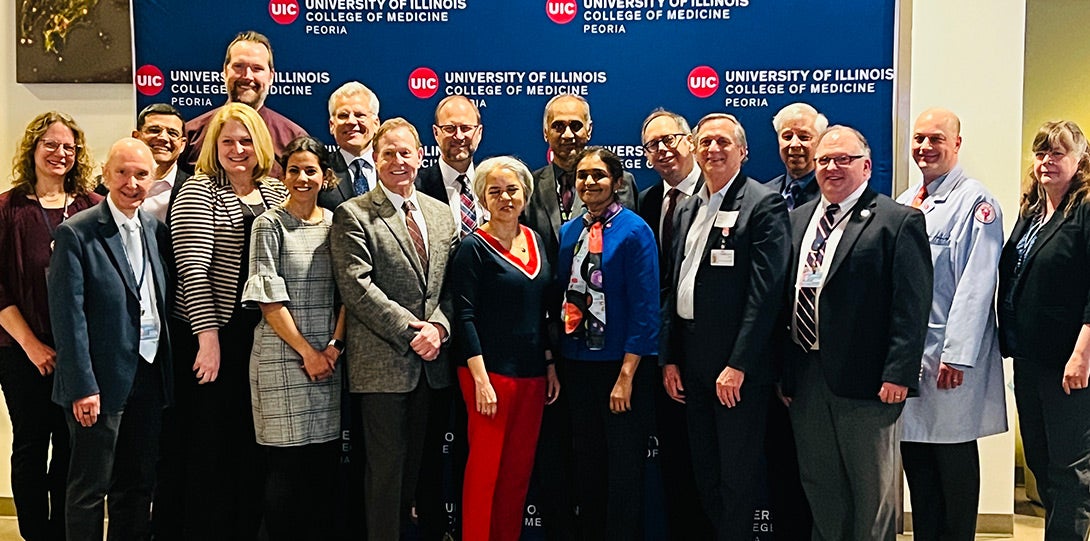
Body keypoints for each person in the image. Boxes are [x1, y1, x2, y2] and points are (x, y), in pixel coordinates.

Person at [782, 125, 931, 541]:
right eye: (824, 160)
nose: (831, 168)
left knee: (871, 495)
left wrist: (899, 373)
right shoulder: (796, 220)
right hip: (808, 378)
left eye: (842, 160)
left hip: (869, 384)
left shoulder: (897, 221)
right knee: (821, 487)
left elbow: (912, 305)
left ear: (866, 166)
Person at [658, 113, 790, 540]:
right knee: (706, 473)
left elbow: (765, 294)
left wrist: (739, 364)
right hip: (692, 363)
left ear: (743, 152)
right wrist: (670, 358)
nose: (713, 149)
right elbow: (674, 285)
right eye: (706, 142)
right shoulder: (690, 207)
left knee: (737, 477)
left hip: (734, 369)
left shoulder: (762, 203)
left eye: (723, 143)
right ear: (695, 149)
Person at [331, 118, 458, 541]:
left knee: (423, 475)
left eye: (406, 152)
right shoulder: (354, 214)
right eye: (388, 154)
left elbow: (453, 285)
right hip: (384, 367)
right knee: (386, 477)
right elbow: (357, 288)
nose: (398, 161)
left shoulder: (441, 215)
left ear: (422, 156)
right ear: (375, 159)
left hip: (433, 365)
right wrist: (412, 332)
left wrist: (437, 330)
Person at [169, 102, 288, 539]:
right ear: (213, 147)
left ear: (260, 144)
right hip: (213, 336)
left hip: (261, 336)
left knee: (252, 445)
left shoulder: (275, 193)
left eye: (244, 140)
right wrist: (208, 339)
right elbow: (193, 271)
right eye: (227, 142)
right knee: (211, 448)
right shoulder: (199, 191)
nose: (237, 150)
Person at [48, 137, 173, 540]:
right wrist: (82, 386)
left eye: (141, 174)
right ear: (106, 174)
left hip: (149, 376)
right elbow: (68, 318)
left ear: (152, 179)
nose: (131, 182)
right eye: (122, 172)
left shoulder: (155, 229)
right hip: (97, 384)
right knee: (89, 488)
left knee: (136, 486)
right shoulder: (76, 233)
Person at [897, 108, 1008, 540]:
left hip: (948, 358)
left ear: (957, 144)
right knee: (918, 464)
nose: (925, 147)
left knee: (952, 463)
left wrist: (956, 355)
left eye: (937, 139)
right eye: (920, 138)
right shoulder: (907, 200)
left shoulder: (976, 203)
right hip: (909, 356)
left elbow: (977, 285)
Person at [450, 156, 560, 541]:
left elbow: (543, 309)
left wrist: (548, 362)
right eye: (494, 191)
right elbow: (463, 316)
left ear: (525, 195)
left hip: (531, 375)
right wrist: (480, 380)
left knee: (516, 476)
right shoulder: (472, 248)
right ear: (482, 197)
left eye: (512, 189)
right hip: (488, 375)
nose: (505, 198)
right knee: (484, 475)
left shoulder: (537, 240)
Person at [242, 136, 347, 541]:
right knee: (285, 472)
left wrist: (333, 349)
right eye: (294, 170)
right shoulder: (268, 224)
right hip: (282, 360)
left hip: (327, 362)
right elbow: (268, 299)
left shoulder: (338, 223)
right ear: (283, 175)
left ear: (325, 175)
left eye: (311, 170)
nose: (302, 178)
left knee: (321, 471)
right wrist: (307, 353)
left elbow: (348, 294)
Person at [0, 110, 98, 541]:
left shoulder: (92, 207)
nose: (60, 154)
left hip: (79, 352)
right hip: (21, 353)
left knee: (72, 450)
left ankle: (64, 532)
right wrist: (32, 346)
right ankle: (35, 535)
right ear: (33, 149)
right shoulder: (8, 209)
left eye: (69, 148)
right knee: (30, 447)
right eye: (51, 145)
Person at [558, 147, 659, 540]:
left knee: (623, 472)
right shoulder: (570, 232)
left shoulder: (635, 231)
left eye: (599, 175)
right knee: (587, 466)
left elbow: (646, 307)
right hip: (577, 363)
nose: (589, 182)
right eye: (582, 175)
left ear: (617, 182)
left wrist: (627, 375)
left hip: (621, 367)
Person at [999, 119, 1090, 540]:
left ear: (1080, 159)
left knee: (1069, 469)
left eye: (1057, 153)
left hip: (1070, 361)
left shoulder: (1085, 209)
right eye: (1041, 153)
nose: (1046, 161)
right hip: (1031, 358)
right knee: (1040, 459)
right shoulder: (1032, 211)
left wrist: (1082, 353)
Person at [636, 108, 711, 540]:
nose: (663, 150)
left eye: (672, 139)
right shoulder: (646, 202)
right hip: (659, 355)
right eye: (653, 145)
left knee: (713, 469)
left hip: (708, 358)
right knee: (676, 466)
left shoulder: (719, 194)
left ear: (692, 141)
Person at [182, 30, 307, 178]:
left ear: (271, 76)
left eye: (257, 69)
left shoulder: (293, 138)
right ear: (225, 71)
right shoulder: (191, 134)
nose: (247, 76)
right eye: (239, 66)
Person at [95, 103, 190, 223]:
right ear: (136, 136)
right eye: (154, 130)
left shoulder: (194, 190)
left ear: (182, 145)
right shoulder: (106, 186)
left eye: (172, 133)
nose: (163, 138)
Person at [417, 95, 486, 237]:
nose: (459, 136)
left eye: (466, 128)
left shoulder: (492, 184)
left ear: (479, 133)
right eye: (450, 128)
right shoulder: (416, 187)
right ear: (436, 133)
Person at [318, 81, 380, 211]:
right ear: (331, 125)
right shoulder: (320, 170)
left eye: (360, 115)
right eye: (343, 115)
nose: (351, 121)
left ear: (376, 123)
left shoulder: (395, 168)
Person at [763, 102, 827, 210]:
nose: (794, 144)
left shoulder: (832, 193)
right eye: (787, 137)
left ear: (820, 142)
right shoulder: (763, 195)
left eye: (804, 137)